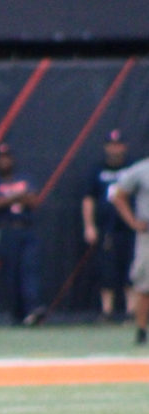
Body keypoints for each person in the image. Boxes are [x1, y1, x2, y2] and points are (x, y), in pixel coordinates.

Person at [0, 143, 47, 326]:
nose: (4, 161)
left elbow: (34, 200)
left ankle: (33, 309)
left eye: (7, 157)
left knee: (30, 269)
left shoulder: (24, 177)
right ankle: (17, 313)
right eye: (0, 158)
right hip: (6, 229)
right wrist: (18, 196)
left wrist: (11, 198)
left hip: (26, 228)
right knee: (11, 273)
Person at [83, 129, 135, 320]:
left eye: (118, 145)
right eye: (111, 146)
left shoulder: (133, 168)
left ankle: (132, 311)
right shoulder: (97, 170)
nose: (115, 150)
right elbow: (89, 199)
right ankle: (107, 311)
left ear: (124, 147)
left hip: (131, 225)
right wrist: (89, 225)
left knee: (132, 268)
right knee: (107, 269)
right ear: (106, 147)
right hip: (107, 227)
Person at [109, 150, 149, 345]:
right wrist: (133, 222)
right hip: (148, 234)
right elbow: (118, 195)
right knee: (144, 284)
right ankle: (141, 330)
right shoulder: (142, 169)